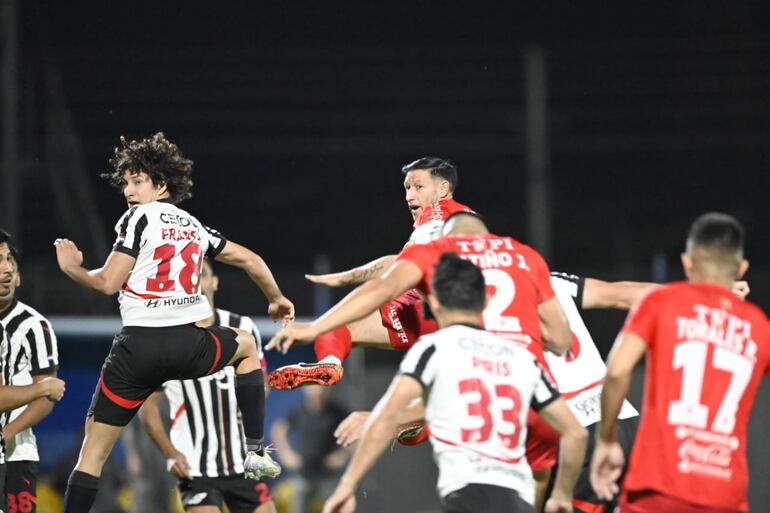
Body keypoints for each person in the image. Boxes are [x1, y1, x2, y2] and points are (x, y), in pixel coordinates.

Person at [53, 132, 294, 513]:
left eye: (138, 181)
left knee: (92, 454)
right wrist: (276, 298)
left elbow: (106, 283)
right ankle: (253, 451)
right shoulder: (193, 225)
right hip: (190, 347)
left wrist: (72, 269)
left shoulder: (137, 218)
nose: (129, 191)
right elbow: (249, 259)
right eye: (126, 183)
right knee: (247, 344)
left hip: (137, 353)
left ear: (161, 184)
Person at [268, 211, 571, 510]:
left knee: (427, 396)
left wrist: (316, 325)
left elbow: (384, 282)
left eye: (415, 186)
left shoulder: (437, 252)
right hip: (524, 377)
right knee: (536, 480)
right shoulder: (525, 257)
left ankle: (337, 362)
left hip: (459, 371)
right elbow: (562, 341)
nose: (411, 195)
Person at [322, 253, 587, 513]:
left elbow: (393, 412)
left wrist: (348, 484)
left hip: (466, 490)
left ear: (434, 305)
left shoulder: (436, 349)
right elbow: (575, 433)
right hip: (517, 496)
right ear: (487, 301)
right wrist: (561, 494)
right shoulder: (521, 359)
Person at [591, 212, 769, 513]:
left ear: (688, 262)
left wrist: (606, 440)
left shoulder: (661, 303)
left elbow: (619, 369)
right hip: (725, 491)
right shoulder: (758, 326)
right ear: (741, 268)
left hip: (659, 485)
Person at [269, 157, 473, 390]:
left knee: (333, 323)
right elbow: (401, 261)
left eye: (418, 186)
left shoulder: (435, 214)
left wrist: (348, 280)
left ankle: (330, 362)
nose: (409, 196)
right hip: (458, 320)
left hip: (428, 312)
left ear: (443, 188)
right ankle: (330, 366)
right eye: (407, 188)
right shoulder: (470, 220)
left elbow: (402, 267)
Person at [140, 259, 277, 513]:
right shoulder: (165, 339)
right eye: (189, 276)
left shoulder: (243, 327)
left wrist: (252, 402)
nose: (196, 281)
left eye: (201, 274)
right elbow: (148, 410)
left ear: (214, 283)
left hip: (243, 461)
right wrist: (169, 453)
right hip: (195, 466)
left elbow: (262, 382)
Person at [0, 230, 67, 513]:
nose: (7, 267)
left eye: (9, 259)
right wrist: (41, 387)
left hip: (17, 454)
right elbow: (46, 389)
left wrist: (8, 433)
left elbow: (47, 400)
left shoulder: (34, 327)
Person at [270, 386, 350, 513]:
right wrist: (286, 454)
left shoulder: (337, 411)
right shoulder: (299, 410)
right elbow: (278, 429)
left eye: (321, 386)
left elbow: (357, 435)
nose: (317, 390)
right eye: (312, 387)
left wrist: (341, 455)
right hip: (304, 473)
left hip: (328, 474)